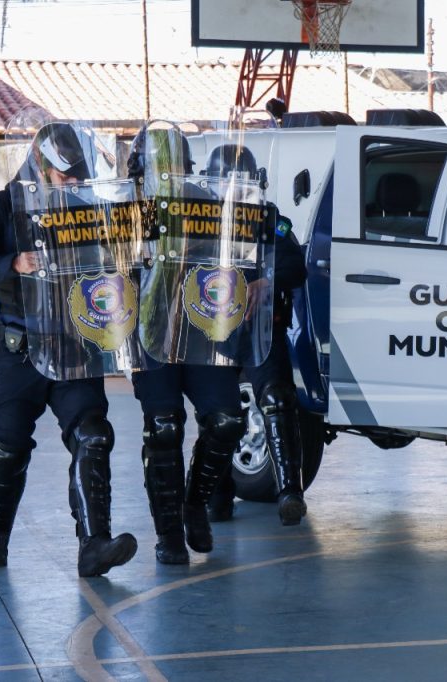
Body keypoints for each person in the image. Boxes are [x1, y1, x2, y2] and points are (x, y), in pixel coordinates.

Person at [0, 122, 138, 577]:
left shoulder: (87, 210)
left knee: (93, 434)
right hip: (18, 350)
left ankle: (94, 545)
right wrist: (12, 263)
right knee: (8, 445)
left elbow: (120, 259)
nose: (72, 182)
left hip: (74, 346)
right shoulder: (1, 208)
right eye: (64, 174)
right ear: (40, 165)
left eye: (78, 174)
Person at [128, 127, 248, 564]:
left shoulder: (206, 202)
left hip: (201, 328)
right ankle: (169, 537)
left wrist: (254, 278)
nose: (169, 170)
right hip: (150, 332)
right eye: (161, 162)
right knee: (163, 427)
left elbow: (241, 251)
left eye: (175, 162)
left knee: (227, 420)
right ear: (140, 167)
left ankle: (194, 503)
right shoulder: (122, 205)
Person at [202, 144, 310, 526]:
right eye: (228, 180)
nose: (235, 187)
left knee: (278, 398)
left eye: (242, 180)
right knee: (217, 415)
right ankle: (215, 497)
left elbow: (296, 265)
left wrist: (268, 280)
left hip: (260, 332)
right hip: (213, 333)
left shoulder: (269, 219)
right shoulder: (196, 221)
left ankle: (290, 493)